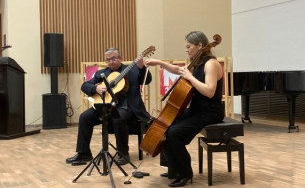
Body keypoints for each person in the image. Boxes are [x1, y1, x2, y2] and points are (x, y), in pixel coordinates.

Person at [145, 31, 224, 187]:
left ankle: (186, 173)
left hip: (210, 111)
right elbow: (178, 70)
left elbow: (209, 91)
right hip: (197, 109)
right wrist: (159, 62)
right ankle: (173, 168)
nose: (186, 50)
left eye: (188, 46)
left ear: (200, 45)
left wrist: (190, 77)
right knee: (165, 125)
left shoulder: (211, 64)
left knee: (174, 134)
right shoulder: (197, 62)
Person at [66, 47, 152, 165]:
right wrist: (95, 88)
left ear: (120, 58)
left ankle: (123, 154)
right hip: (106, 106)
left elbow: (147, 80)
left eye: (114, 58)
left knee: (118, 117)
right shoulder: (102, 73)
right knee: (84, 117)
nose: (111, 61)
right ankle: (83, 153)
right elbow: (84, 86)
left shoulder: (131, 70)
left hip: (127, 107)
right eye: (108, 60)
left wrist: (141, 67)